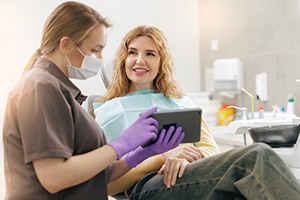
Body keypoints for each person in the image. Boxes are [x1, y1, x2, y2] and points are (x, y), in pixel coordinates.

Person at [93, 25, 300, 199]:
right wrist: (163, 157)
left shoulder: (181, 103)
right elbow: (106, 184)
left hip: (195, 174)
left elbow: (211, 151)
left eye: (150, 54)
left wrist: (188, 160)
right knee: (256, 155)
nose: (139, 60)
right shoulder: (106, 110)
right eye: (132, 52)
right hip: (147, 186)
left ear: (161, 62)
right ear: (123, 59)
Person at [2, 2, 185, 200]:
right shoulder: (40, 87)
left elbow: (96, 176)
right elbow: (53, 177)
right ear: (66, 45)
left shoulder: (59, 91)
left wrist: (140, 154)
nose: (100, 58)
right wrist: (121, 145)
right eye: (95, 50)